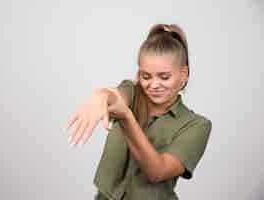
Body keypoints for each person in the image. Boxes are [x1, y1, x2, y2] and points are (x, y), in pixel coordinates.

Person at [64, 23, 212, 200]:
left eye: (164, 77)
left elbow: (157, 171)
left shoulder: (197, 125)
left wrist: (126, 117)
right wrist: (101, 94)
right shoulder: (131, 93)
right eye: (145, 76)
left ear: (184, 74)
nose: (154, 85)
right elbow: (117, 96)